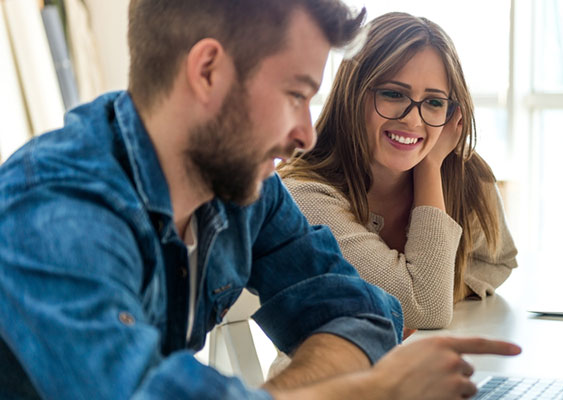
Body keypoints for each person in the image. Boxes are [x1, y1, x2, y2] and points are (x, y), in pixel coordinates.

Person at [0, 1, 519, 399]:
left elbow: (363, 315)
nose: (306, 134)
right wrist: (366, 390)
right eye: (296, 94)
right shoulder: (52, 211)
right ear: (207, 71)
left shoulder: (245, 191)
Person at [279, 12, 518, 330]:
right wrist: (430, 167)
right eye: (393, 94)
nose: (414, 121)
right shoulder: (303, 193)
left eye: (433, 102)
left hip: (428, 368)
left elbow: (497, 259)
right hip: (334, 378)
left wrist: (439, 285)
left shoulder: (463, 173)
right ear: (353, 94)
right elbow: (425, 307)